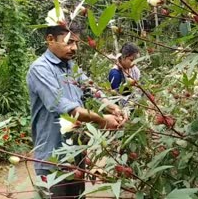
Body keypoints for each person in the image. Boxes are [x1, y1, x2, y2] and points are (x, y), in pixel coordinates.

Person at [26, 22, 126, 198]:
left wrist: (112, 106)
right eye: (69, 42)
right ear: (50, 39)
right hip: (53, 157)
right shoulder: (40, 69)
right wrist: (103, 120)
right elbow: (64, 108)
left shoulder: (70, 66)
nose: (75, 48)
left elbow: (90, 89)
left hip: (76, 152)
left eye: (77, 43)